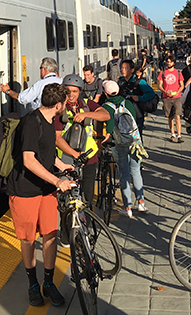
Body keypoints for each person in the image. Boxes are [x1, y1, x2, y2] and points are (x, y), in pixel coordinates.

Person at [7, 83, 77, 307]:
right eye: (64, 104)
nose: (66, 107)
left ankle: (48, 282)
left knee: (51, 235)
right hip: (25, 191)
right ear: (57, 105)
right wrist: (57, 180)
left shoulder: (50, 122)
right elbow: (29, 159)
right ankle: (32, 284)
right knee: (28, 239)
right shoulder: (31, 123)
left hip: (46, 190)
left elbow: (45, 154)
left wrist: (62, 165)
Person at [55, 74, 110, 204]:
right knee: (68, 197)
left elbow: (105, 115)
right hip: (67, 160)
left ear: (80, 91)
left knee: (88, 195)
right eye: (67, 91)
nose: (71, 95)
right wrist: (76, 154)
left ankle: (86, 221)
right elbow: (57, 139)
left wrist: (86, 114)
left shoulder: (86, 104)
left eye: (74, 91)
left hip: (90, 157)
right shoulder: (60, 109)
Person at [101, 80, 147, 219]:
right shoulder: (127, 103)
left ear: (106, 93)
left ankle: (127, 207)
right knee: (136, 171)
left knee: (124, 175)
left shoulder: (106, 107)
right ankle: (141, 202)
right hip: (134, 141)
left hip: (119, 144)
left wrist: (105, 139)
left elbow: (109, 126)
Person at [117, 59, 156, 134]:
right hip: (122, 114)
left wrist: (139, 98)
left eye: (125, 68)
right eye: (122, 68)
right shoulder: (120, 82)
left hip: (136, 113)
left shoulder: (139, 82)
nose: (122, 70)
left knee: (136, 136)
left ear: (132, 70)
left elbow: (151, 93)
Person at [158, 56, 185, 142]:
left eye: (170, 62)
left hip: (177, 97)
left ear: (174, 63)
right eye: (167, 61)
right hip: (167, 97)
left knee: (177, 116)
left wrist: (177, 92)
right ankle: (172, 134)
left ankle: (179, 135)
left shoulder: (178, 73)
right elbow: (159, 85)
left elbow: (182, 85)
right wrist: (164, 91)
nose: (168, 63)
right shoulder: (162, 73)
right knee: (170, 116)